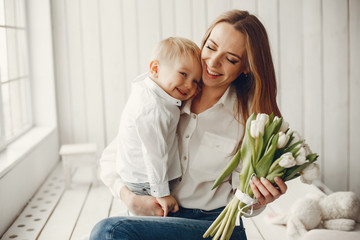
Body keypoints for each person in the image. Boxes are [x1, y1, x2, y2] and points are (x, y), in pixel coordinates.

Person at [91, 10, 287, 240]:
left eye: (231, 59)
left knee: (109, 231)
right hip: (159, 220)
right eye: (211, 48)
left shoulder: (251, 120)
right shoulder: (165, 94)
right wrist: (129, 198)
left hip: (216, 227)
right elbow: (111, 158)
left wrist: (260, 198)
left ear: (245, 67)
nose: (213, 63)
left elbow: (243, 202)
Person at [115, 37, 202, 216]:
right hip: (147, 182)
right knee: (153, 222)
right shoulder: (153, 108)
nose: (189, 85)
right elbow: (155, 154)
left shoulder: (151, 91)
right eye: (183, 74)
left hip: (140, 177)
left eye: (195, 81)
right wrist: (162, 193)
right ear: (155, 69)